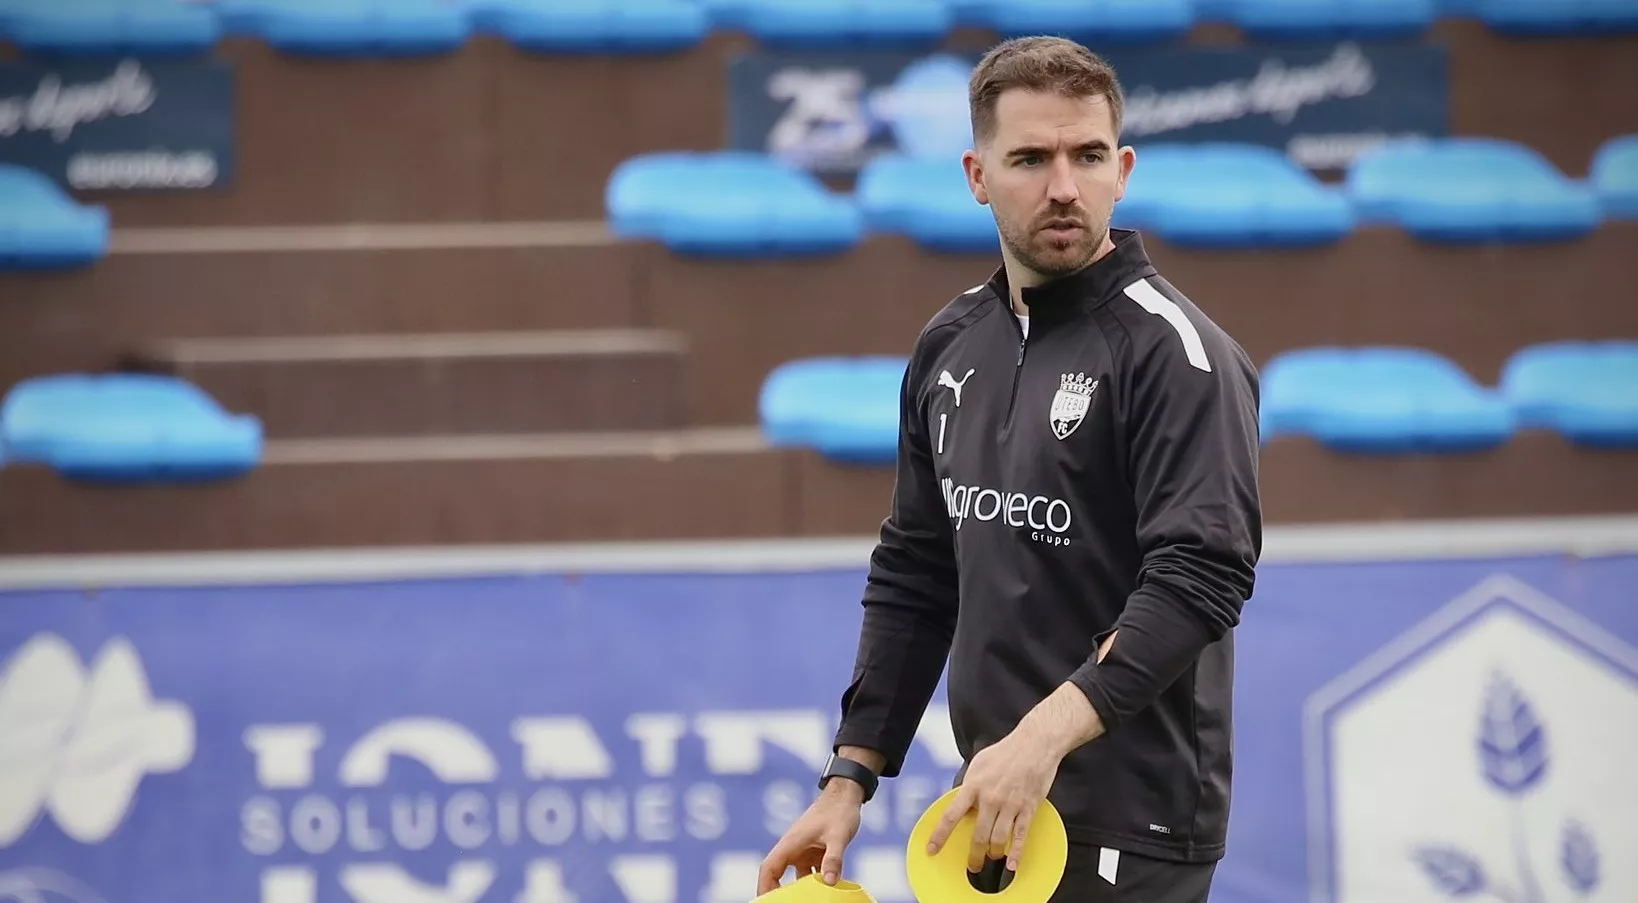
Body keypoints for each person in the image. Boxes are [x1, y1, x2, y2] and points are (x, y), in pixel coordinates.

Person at [756, 34, 1263, 903]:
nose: (1063, 185)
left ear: (1123, 168)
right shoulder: (952, 341)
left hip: (1129, 830)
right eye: (1030, 158)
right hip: (990, 822)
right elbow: (918, 572)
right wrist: (847, 779)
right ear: (977, 175)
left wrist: (1039, 741)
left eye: (1087, 155)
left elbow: (1200, 580)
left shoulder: (1178, 355)